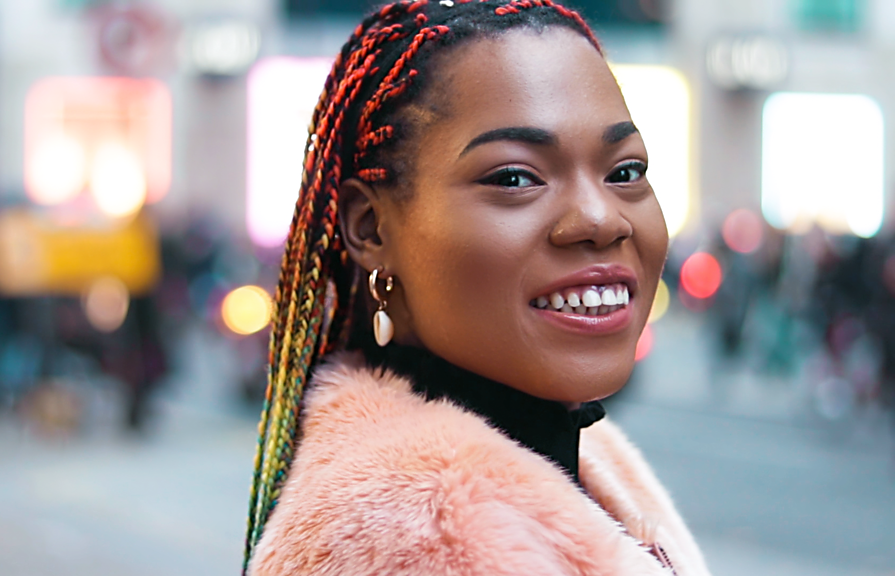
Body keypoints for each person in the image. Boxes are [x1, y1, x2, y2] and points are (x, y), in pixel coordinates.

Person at [244, 1, 711, 574]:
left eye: (625, 172)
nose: (601, 218)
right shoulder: (422, 534)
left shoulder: (575, 457)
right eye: (514, 177)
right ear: (371, 227)